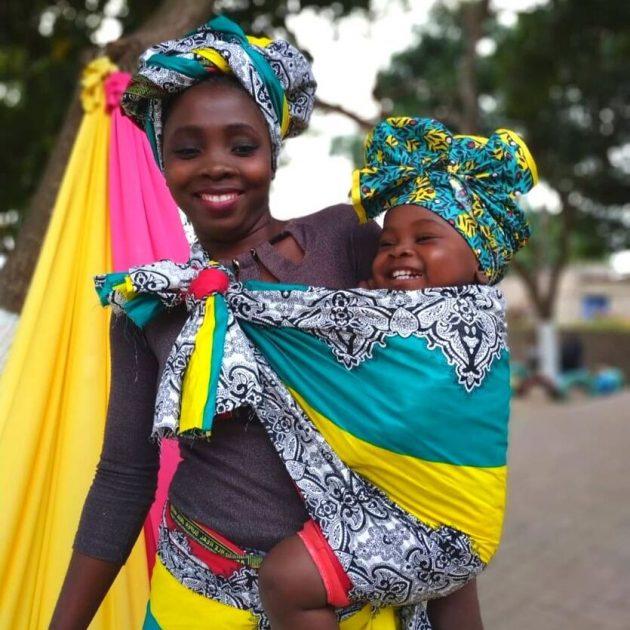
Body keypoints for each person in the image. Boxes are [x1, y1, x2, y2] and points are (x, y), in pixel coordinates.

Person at [50, 18, 481, 630]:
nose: (215, 166)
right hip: (199, 602)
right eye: (188, 148)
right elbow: (123, 477)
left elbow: (440, 399)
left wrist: (452, 592)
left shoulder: (348, 245)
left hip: (353, 603)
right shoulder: (151, 303)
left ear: (272, 154)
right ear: (162, 161)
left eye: (242, 145)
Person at [250, 116, 537, 629]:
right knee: (451, 599)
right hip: (431, 516)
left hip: (447, 519)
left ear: (480, 264)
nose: (400, 250)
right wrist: (366, 314)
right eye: (387, 243)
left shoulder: (472, 321)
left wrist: (360, 321)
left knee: (286, 580)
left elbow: (402, 404)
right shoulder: (390, 309)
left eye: (425, 238)